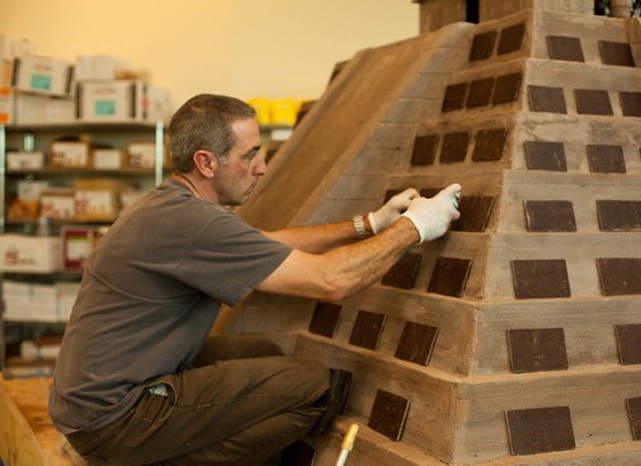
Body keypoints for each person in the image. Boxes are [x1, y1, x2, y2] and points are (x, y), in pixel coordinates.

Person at [49, 93, 461, 465]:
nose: (261, 168)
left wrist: (369, 223)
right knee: (315, 388)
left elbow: (268, 244)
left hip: (92, 406)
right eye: (250, 155)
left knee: (262, 351)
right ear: (206, 163)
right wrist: (414, 228)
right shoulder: (192, 222)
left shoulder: (172, 206)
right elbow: (332, 281)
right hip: (116, 419)